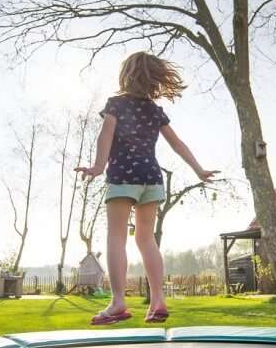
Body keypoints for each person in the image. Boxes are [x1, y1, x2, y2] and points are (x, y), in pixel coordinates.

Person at [75, 51, 218, 325]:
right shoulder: (155, 110)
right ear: (153, 80)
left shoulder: (116, 104)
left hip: (122, 177)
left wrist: (97, 167)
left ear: (126, 75)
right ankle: (158, 301)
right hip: (151, 178)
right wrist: (198, 169)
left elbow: (105, 135)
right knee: (146, 239)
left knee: (116, 237)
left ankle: (118, 302)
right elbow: (177, 144)